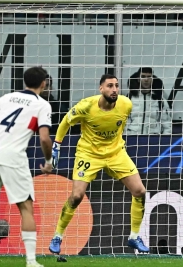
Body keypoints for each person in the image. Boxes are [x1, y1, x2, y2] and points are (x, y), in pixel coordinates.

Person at [48, 74, 149, 255]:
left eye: (117, 86)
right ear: (101, 89)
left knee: (140, 191)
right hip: (89, 154)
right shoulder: (86, 106)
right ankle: (57, 236)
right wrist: (56, 147)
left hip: (116, 153)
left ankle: (134, 236)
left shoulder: (126, 104)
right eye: (110, 86)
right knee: (77, 196)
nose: (114, 89)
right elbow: (65, 122)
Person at [0, 66, 53, 267]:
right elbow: (44, 138)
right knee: (25, 207)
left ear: (25, 81)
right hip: (14, 157)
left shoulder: (6, 98)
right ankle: (31, 261)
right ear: (43, 83)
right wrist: (49, 162)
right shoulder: (42, 105)